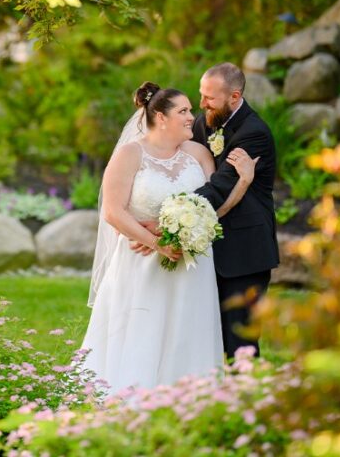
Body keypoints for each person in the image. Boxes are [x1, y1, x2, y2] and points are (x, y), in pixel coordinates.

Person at [83, 82, 257, 394]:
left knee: (188, 332)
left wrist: (243, 182)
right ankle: (133, 399)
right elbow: (112, 211)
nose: (193, 116)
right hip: (141, 263)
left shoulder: (199, 154)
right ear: (161, 118)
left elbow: (213, 209)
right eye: (184, 111)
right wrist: (156, 242)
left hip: (193, 267)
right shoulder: (129, 154)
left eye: (191, 110)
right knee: (143, 331)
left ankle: (192, 401)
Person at [191, 63, 280, 359]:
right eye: (201, 95)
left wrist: (173, 212)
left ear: (234, 95)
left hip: (244, 251)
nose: (201, 104)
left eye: (209, 98)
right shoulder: (205, 121)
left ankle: (246, 399)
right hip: (209, 246)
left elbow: (220, 187)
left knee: (239, 341)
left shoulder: (254, 133)